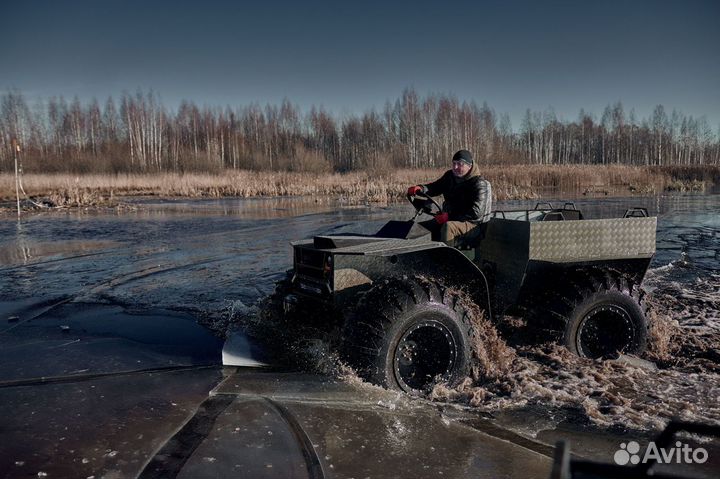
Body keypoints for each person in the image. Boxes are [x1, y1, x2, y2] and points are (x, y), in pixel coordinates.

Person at [407, 149, 492, 248]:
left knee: (448, 227)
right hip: (450, 218)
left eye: (460, 164)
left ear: (469, 166)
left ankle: (447, 261)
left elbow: (476, 213)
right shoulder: (450, 176)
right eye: (454, 163)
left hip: (473, 225)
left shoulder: (479, 184)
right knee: (418, 228)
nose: (455, 167)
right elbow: (435, 187)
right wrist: (421, 188)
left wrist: (450, 216)